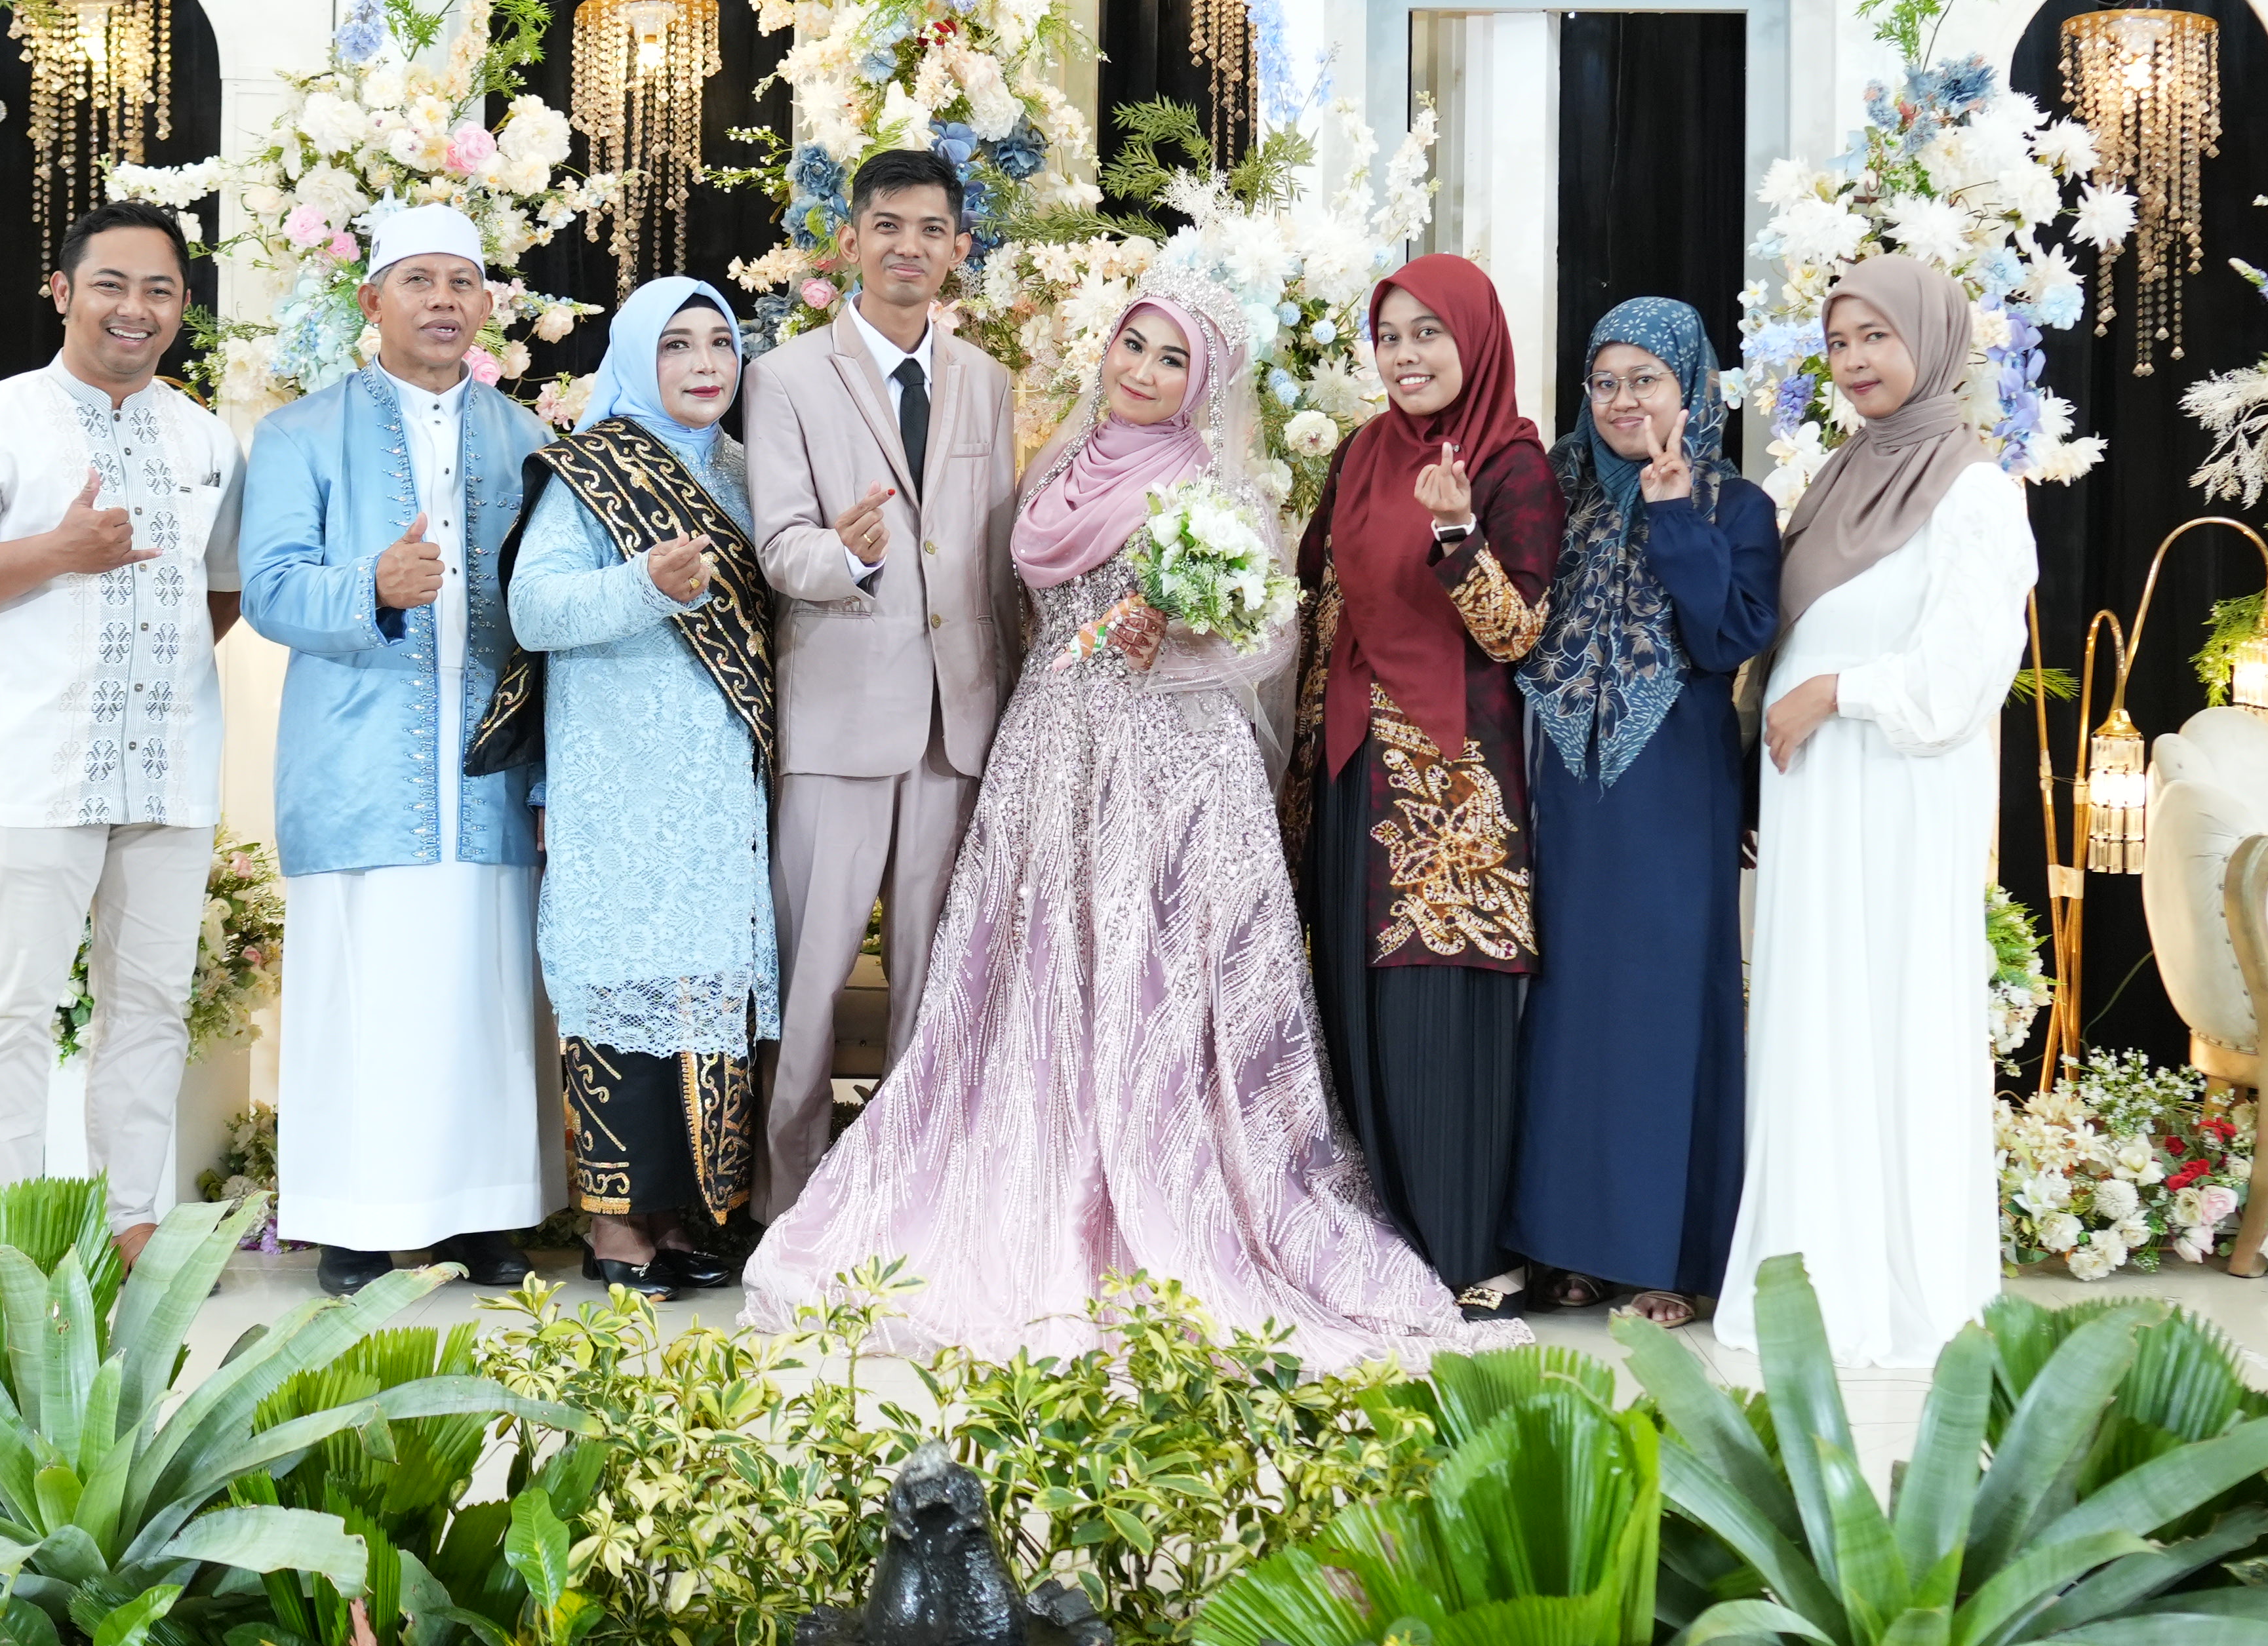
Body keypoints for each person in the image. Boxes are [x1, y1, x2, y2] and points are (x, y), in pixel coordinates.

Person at [744, 276, 1519, 1366]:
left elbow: (1267, 635)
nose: (1144, 373)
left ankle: (1172, 1193)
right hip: (1049, 750)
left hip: (1172, 765)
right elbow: (1016, 604)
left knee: (1158, 980)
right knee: (1035, 978)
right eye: (1134, 347)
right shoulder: (1055, 465)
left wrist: (1181, 636)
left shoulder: (1214, 487)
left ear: (1202, 385)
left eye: (1172, 360)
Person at [0, 201, 243, 1262]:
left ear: (181, 308)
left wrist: (149, 671)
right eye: (111, 284)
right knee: (11, 1008)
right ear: (62, 292)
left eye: (159, 290)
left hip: (170, 766)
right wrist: (59, 552)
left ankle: (132, 1219)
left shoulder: (205, 437)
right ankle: (7, 1233)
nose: (134, 309)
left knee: (150, 1006)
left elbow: (221, 588)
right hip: (36, 764)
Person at [1712, 256, 2036, 1369]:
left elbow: (1957, 683)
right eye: (1838, 343)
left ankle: (1899, 1292)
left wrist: (1831, 694)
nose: (1853, 362)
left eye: (1876, 339)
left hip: (1898, 800)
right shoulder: (1843, 476)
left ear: (1931, 342)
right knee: (1816, 1020)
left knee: (1891, 1016)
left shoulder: (1977, 491)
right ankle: (1807, 1281)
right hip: (1819, 803)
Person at [239, 203, 563, 1295]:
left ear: (487, 306)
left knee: (485, 998)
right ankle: (356, 1223)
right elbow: (269, 589)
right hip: (358, 763)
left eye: (461, 283)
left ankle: (485, 1218)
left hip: (490, 767)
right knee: (363, 999)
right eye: (418, 281)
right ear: (371, 301)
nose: (442, 302)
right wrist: (370, 586)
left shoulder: (528, 440)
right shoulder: (300, 433)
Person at [743, 146, 1021, 1221]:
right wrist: (848, 554)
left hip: (960, 721)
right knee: (811, 975)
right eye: (889, 226)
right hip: (840, 715)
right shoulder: (785, 377)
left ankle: (907, 1200)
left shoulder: (987, 381)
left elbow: (991, 559)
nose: (910, 247)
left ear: (959, 249)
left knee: (932, 981)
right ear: (851, 239)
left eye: (931, 230)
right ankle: (784, 1203)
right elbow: (780, 546)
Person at [1284, 254, 1560, 1320]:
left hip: (1449, 782)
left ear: (1475, 339)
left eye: (1427, 334)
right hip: (1351, 763)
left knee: (1437, 1005)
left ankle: (1471, 1252)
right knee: (1356, 1006)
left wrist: (1457, 536)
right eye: (1389, 336)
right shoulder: (1361, 452)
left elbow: (1516, 632)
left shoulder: (1511, 464)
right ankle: (1383, 1247)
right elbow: (1313, 589)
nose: (1405, 356)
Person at [1507, 298, 1780, 1327]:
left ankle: (1674, 1257)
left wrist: (1672, 517)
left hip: (1673, 791)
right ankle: (1573, 1246)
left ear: (1690, 388)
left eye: (1647, 381)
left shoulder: (1734, 505)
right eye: (1606, 382)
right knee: (1571, 1007)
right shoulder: (1559, 493)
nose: (1625, 401)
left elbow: (1727, 641)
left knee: (1668, 1006)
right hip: (1566, 786)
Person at [505, 276, 775, 1302]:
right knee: (623, 980)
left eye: (720, 342)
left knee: (707, 984)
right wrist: (642, 587)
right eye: (676, 345)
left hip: (723, 781)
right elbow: (534, 609)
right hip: (620, 775)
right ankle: (616, 1222)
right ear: (632, 358)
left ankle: (683, 1215)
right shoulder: (590, 470)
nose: (705, 364)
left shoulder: (751, 470)